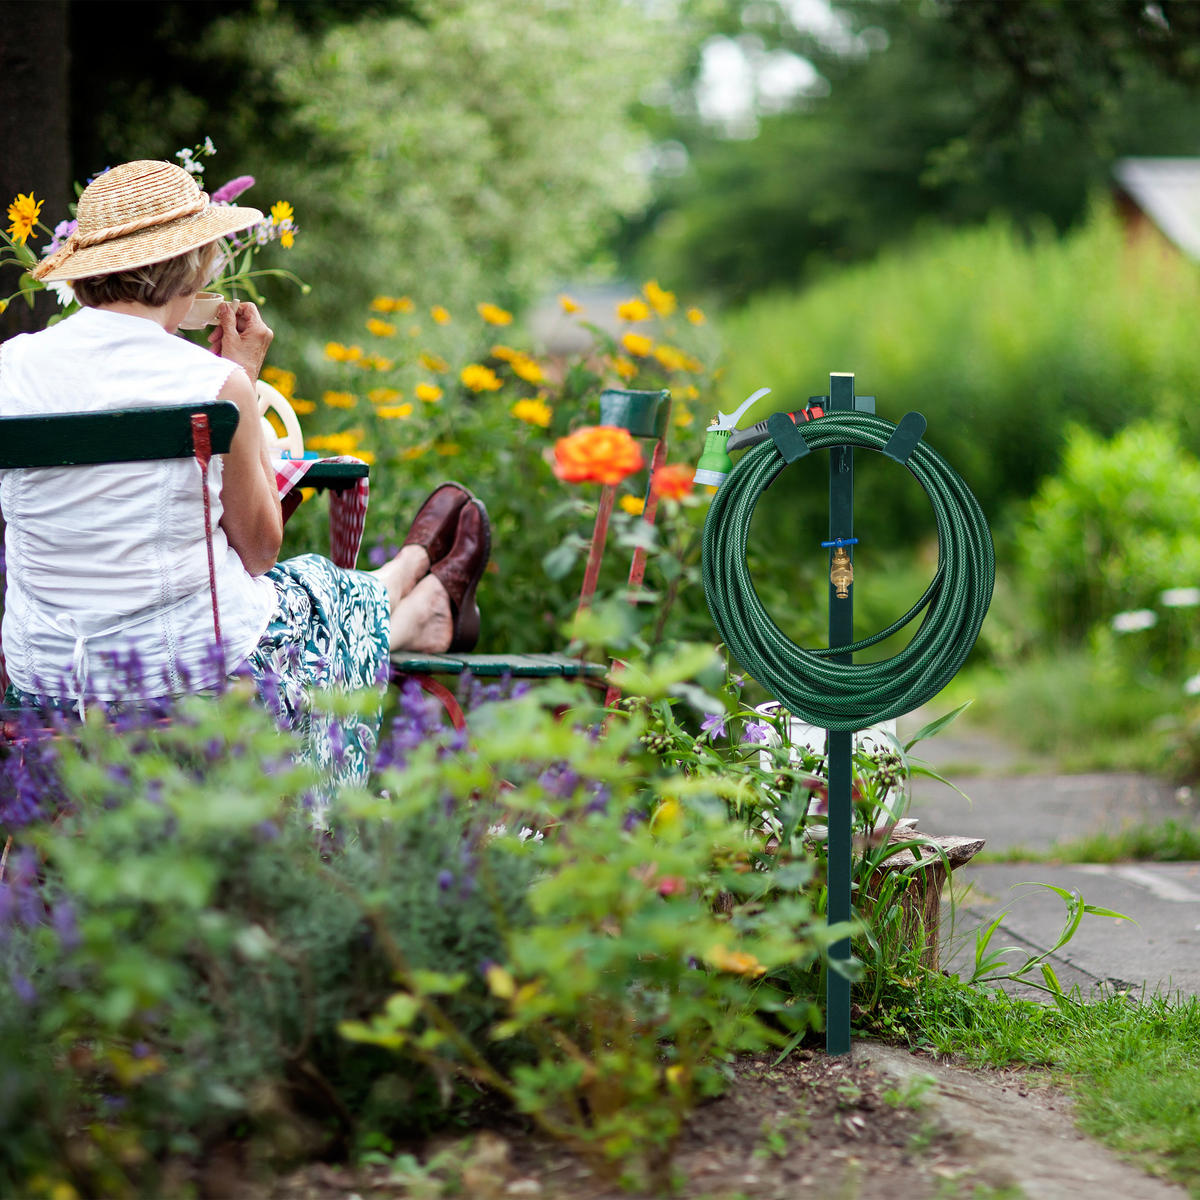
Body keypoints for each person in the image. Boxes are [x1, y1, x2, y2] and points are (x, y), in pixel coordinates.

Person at [0, 159, 490, 793]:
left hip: (47, 676)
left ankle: (411, 586)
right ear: (195, 266)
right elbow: (259, 551)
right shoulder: (210, 383)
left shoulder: (9, 368)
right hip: (187, 671)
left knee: (308, 595)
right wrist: (244, 380)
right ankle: (411, 588)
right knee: (314, 586)